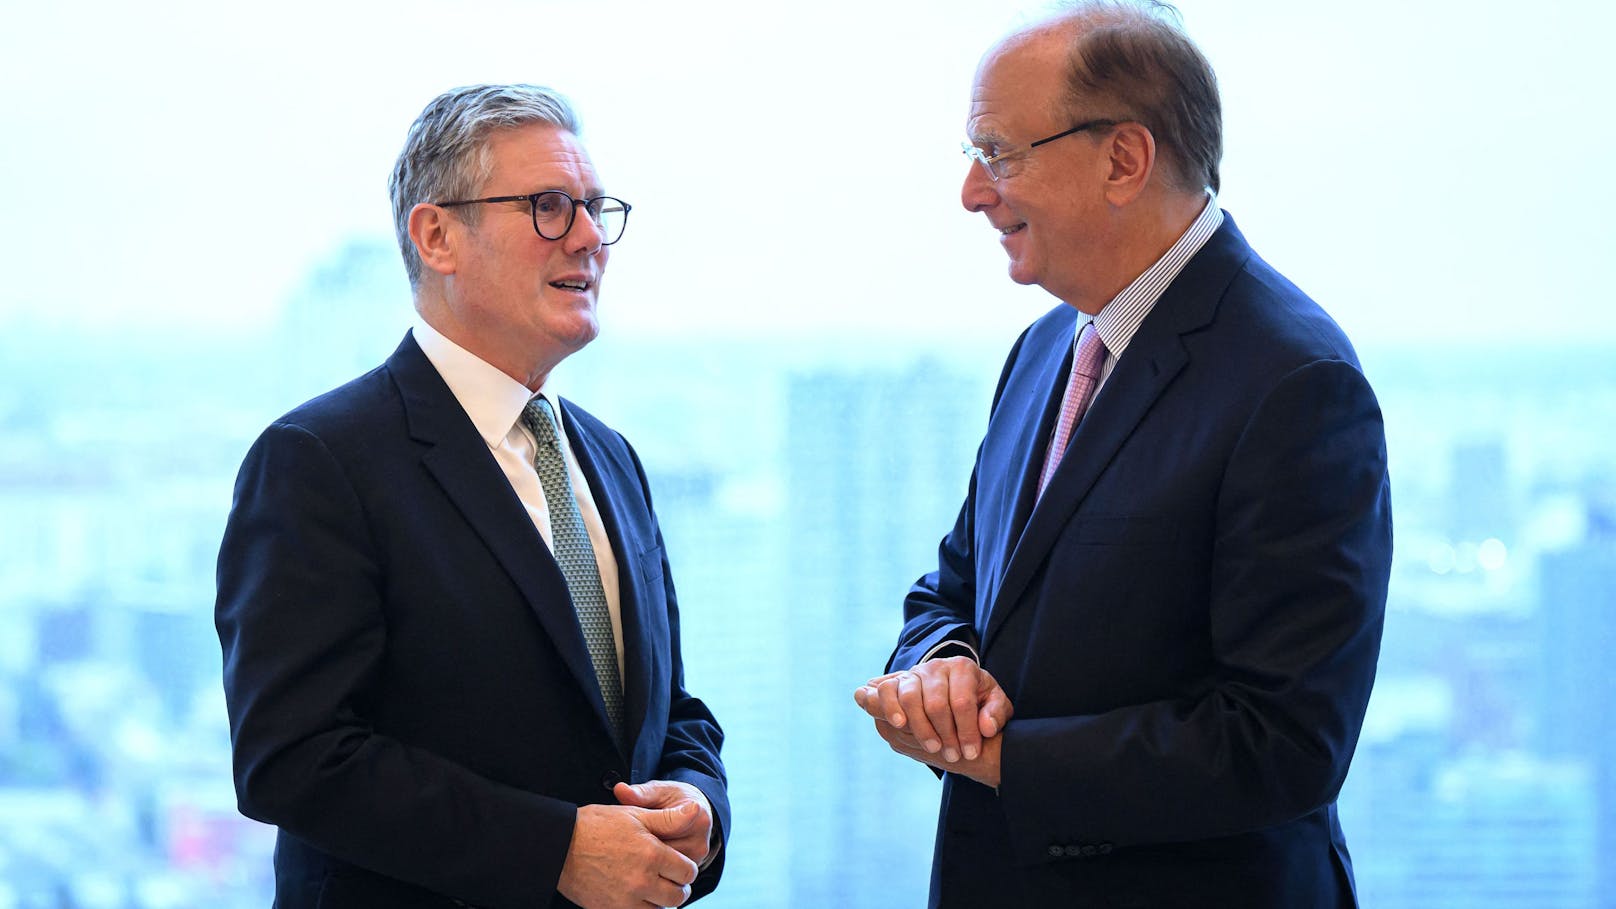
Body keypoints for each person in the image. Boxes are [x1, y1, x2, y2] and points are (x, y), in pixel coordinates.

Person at [853, 3, 1391, 906]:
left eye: (1000, 153)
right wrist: (939, 663)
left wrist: (1000, 757)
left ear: (1124, 160)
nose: (974, 193)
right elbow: (955, 585)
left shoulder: (1296, 380)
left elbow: (1284, 740)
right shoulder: (1042, 351)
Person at [215, 84, 728, 909]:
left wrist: (700, 806)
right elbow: (293, 757)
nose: (592, 238)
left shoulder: (610, 456)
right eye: (551, 207)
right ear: (438, 235)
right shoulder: (318, 460)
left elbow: (670, 710)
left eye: (597, 209)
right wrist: (556, 850)